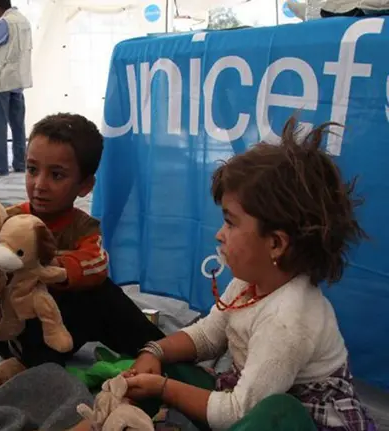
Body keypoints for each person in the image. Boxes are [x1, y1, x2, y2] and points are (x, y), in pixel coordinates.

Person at [72, 117, 376, 431]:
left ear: (275, 244)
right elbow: (208, 335)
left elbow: (238, 412)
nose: (219, 234)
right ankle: (111, 418)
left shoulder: (287, 320)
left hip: (298, 420)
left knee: (278, 411)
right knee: (163, 367)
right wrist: (155, 351)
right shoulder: (249, 283)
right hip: (248, 398)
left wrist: (163, 389)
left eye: (230, 223)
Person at [0, 113, 165, 368]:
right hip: (19, 328)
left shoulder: (84, 228)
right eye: (32, 170)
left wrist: (49, 267)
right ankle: (37, 370)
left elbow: (96, 264)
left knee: (101, 292)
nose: (39, 185)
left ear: (84, 186)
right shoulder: (9, 221)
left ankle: (159, 351)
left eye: (56, 175)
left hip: (65, 323)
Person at [0, 0, 32, 176]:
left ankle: (0, 168)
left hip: (0, 81)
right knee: (18, 127)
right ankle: (20, 164)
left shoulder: (5, 23)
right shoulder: (24, 21)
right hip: (17, 80)